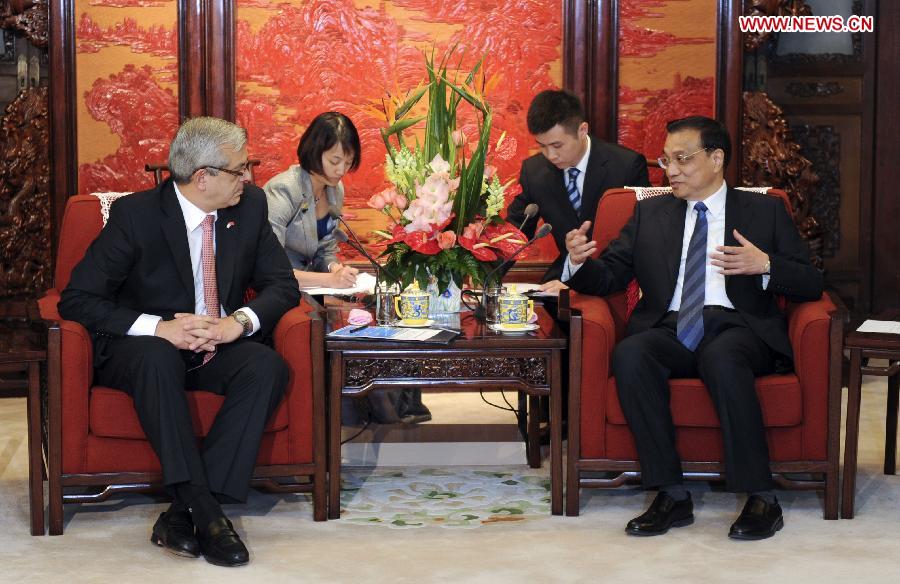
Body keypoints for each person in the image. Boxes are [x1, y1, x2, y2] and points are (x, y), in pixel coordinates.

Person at [562, 116, 823, 540]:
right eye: (666, 160)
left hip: (739, 327)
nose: (672, 170)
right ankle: (670, 493)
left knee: (721, 358)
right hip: (672, 326)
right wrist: (577, 261)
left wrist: (766, 267)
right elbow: (609, 276)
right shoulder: (649, 213)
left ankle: (761, 497)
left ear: (716, 158)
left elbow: (811, 281)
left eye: (683, 159)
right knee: (631, 353)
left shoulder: (764, 211)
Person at [59, 117, 301, 566]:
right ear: (203, 177)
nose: (248, 178)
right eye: (239, 168)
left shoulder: (248, 208)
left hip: (216, 342)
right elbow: (76, 299)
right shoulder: (136, 216)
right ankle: (207, 511)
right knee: (157, 358)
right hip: (144, 349)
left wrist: (238, 323)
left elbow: (283, 286)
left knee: (266, 367)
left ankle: (179, 513)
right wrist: (158, 327)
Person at [506, 89, 650, 294]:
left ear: (582, 130)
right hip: (562, 276)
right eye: (542, 146)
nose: (550, 155)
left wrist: (577, 281)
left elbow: (641, 238)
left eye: (557, 145)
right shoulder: (534, 171)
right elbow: (515, 234)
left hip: (616, 279)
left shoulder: (626, 166)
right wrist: (480, 277)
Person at [265, 111, 361, 289]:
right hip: (276, 290)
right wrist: (330, 281)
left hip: (312, 290)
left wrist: (335, 269)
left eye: (348, 163)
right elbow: (269, 267)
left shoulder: (335, 190)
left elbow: (325, 250)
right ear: (315, 151)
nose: (341, 170)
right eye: (335, 161)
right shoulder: (283, 189)